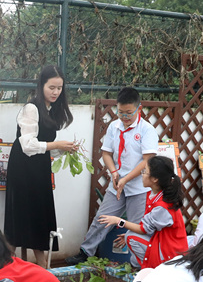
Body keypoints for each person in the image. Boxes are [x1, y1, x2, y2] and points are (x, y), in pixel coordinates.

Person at [66, 87, 158, 265]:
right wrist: (114, 173)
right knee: (102, 219)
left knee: (136, 226)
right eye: (120, 112)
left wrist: (126, 179)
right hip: (117, 185)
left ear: (139, 108)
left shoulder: (147, 130)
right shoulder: (113, 127)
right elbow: (106, 153)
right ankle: (85, 252)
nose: (124, 117)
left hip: (139, 187)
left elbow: (147, 160)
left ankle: (137, 263)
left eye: (128, 113)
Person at [4, 64, 78, 266]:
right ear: (41, 85)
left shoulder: (51, 109)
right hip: (23, 168)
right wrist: (57, 145)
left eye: (59, 88)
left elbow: (45, 147)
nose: (56, 92)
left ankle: (41, 265)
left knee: (39, 213)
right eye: (51, 87)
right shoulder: (31, 108)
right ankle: (9, 264)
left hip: (39, 167)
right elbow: (28, 145)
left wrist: (64, 149)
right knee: (22, 214)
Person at [100, 155, 188, 268]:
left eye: (145, 171)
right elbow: (150, 228)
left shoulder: (162, 206)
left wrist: (118, 221)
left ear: (155, 179)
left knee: (131, 237)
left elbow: (143, 229)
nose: (142, 174)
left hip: (170, 254)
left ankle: (152, 269)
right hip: (165, 245)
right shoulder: (157, 196)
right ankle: (144, 268)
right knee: (130, 235)